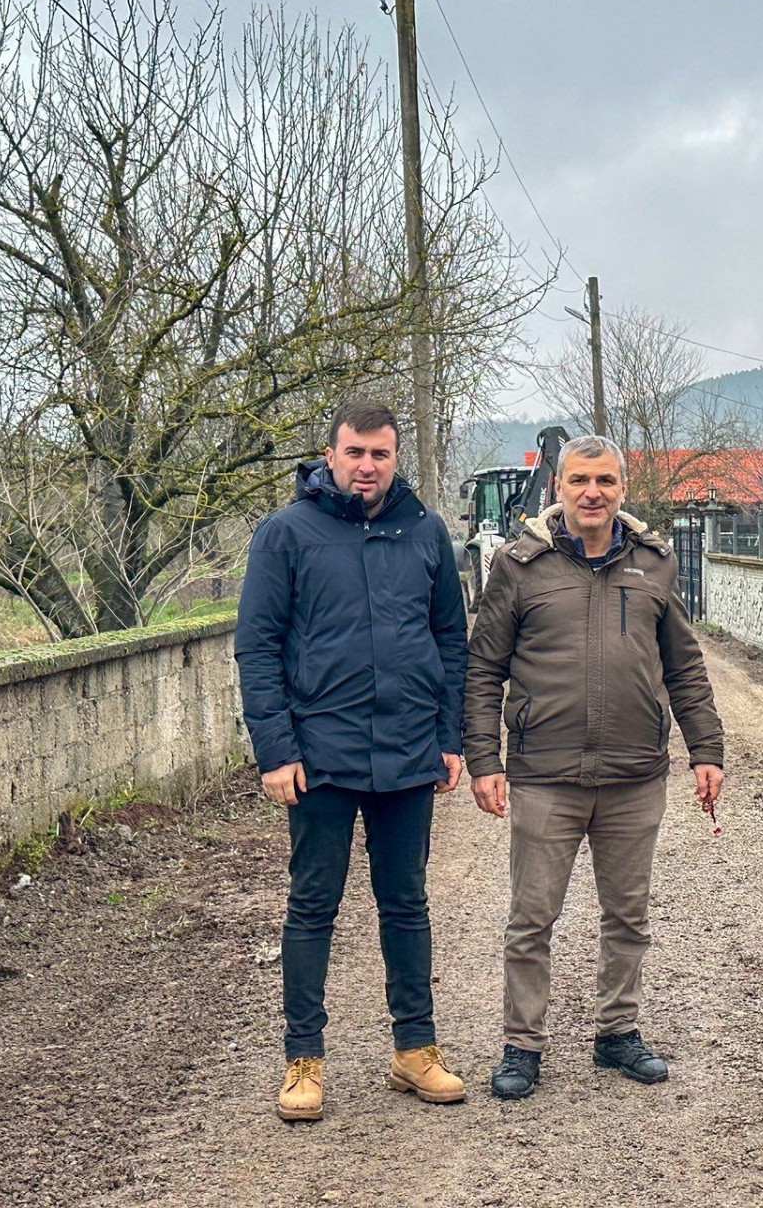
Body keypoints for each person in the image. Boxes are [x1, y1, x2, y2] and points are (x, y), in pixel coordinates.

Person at [464, 433, 725, 1099]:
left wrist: (706, 749)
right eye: (580, 480)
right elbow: (484, 669)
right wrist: (484, 760)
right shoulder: (520, 567)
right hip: (544, 774)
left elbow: (685, 667)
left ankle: (618, 1032)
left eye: (605, 481)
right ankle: (522, 1045)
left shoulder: (655, 564)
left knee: (628, 915)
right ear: (557, 486)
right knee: (532, 918)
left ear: (621, 487)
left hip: (634, 775)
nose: (592, 492)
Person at [235, 401, 470, 1120]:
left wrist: (450, 736)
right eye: (355, 452)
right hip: (320, 757)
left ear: (396, 458)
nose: (367, 466)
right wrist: (276, 749)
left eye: (381, 454)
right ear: (330, 454)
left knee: (406, 904)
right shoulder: (286, 534)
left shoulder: (425, 531)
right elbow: (257, 647)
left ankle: (414, 1051)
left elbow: (451, 640)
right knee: (313, 908)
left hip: (407, 753)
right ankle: (303, 1059)